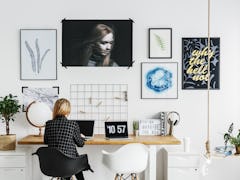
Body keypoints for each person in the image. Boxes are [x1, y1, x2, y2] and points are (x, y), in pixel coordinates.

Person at [44, 98, 91, 180]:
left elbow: (46, 141)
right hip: (69, 165)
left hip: (52, 164)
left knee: (74, 159)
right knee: (77, 160)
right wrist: (81, 137)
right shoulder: (72, 124)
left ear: (55, 109)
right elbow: (80, 144)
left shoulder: (48, 124)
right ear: (68, 110)